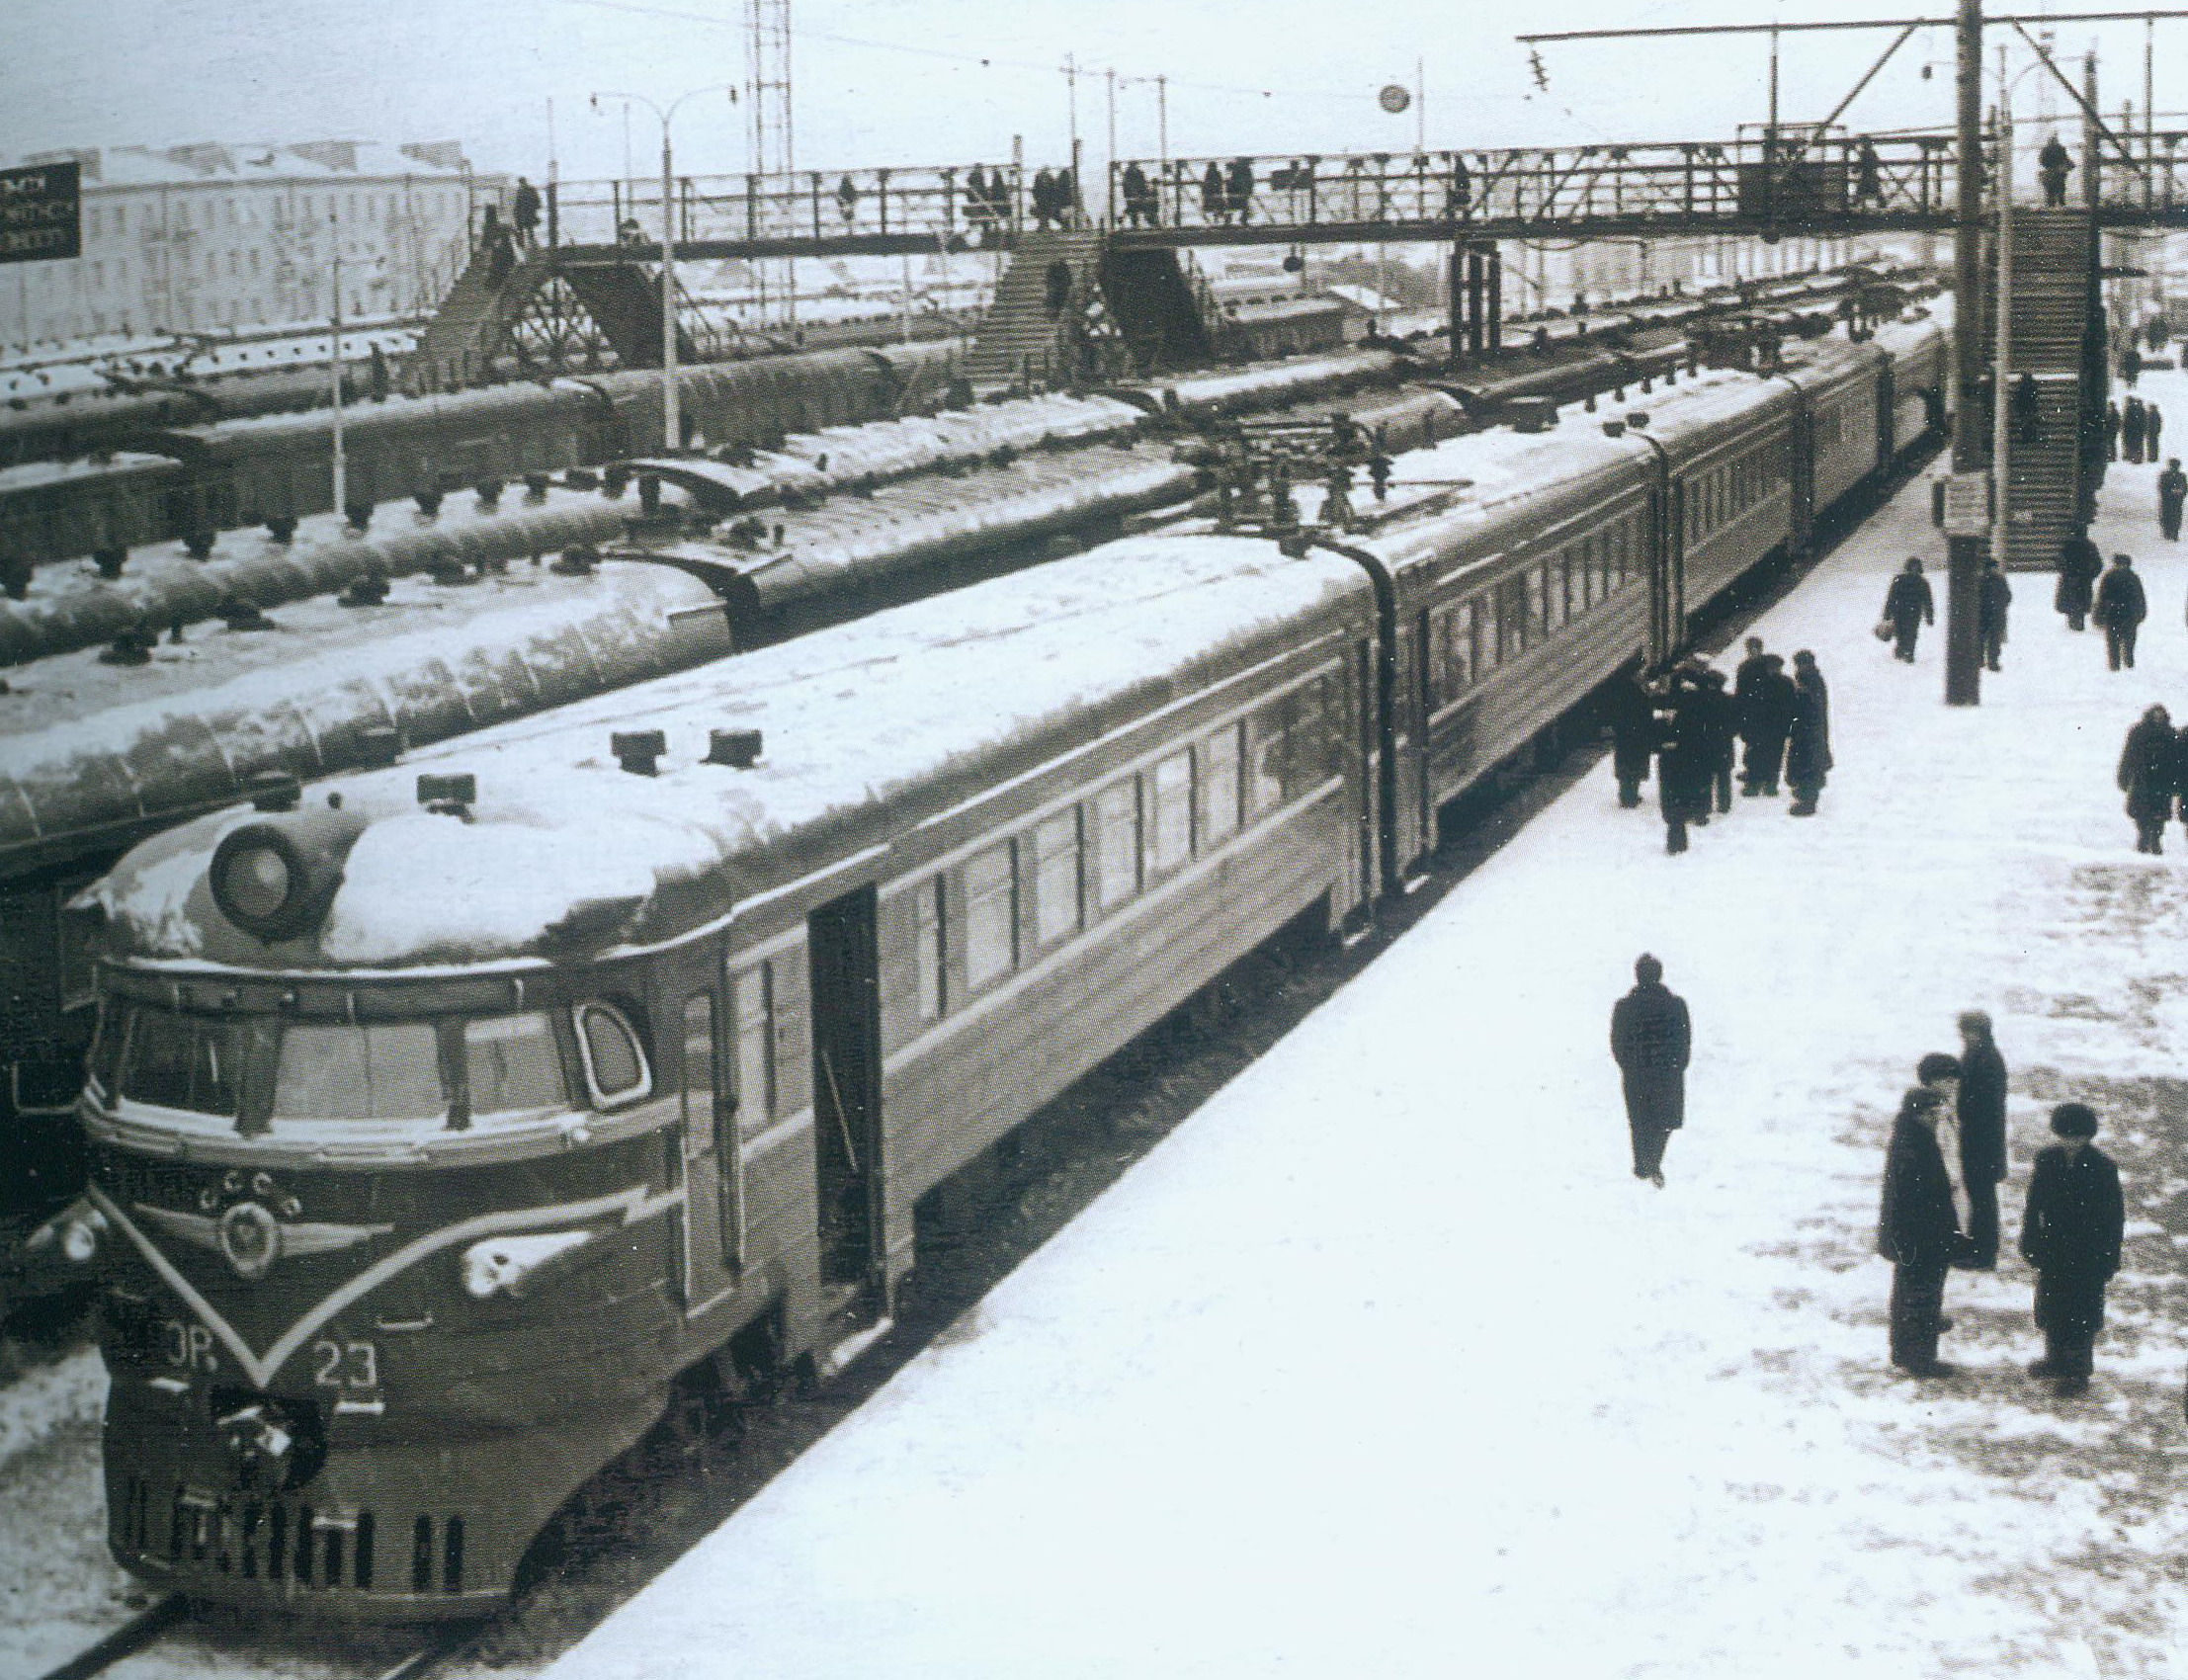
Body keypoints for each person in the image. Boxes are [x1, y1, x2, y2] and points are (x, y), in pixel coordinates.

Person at [2019, 1103, 2124, 1397]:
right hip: (2053, 1250)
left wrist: (2109, 1256)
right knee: (2052, 1307)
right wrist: (2030, 1240)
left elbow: (2114, 1217)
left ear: (2088, 1136)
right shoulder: (2047, 1160)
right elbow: (2034, 1205)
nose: (2071, 1141)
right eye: (2065, 1135)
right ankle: (2054, 1359)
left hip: (2087, 1254)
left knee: (2081, 1312)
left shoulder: (2103, 1167)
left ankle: (2077, 1370)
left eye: (2077, 1136)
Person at [1878, 1083, 1964, 1378]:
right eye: (1931, 1112)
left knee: (1907, 1295)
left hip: (1912, 1236)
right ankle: (1921, 1359)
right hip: (1923, 1236)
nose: (1936, 1118)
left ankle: (1905, 1352)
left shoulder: (1909, 1140)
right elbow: (1924, 1194)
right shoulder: (1916, 1146)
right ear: (1917, 1114)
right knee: (1923, 1298)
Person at [1610, 954, 1690, 1189]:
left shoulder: (1624, 1006)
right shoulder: (1675, 1005)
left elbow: (1617, 1041)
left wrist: (1627, 1065)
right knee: (1664, 1120)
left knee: (1640, 1119)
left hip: (1637, 1073)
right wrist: (1678, 1066)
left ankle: (1643, 1162)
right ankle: (1653, 1160)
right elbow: (1684, 1039)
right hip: (1667, 1072)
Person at [1955, 1011, 2009, 1269]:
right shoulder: (1983, 1056)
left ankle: (1983, 1253)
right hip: (1983, 1140)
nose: (1963, 1036)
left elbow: (1977, 1103)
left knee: (1982, 1197)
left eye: (1966, 1031)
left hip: (1981, 1141)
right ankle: (1979, 1248)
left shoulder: (1985, 1059)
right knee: (1980, 1195)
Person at [2118, 705, 2176, 853]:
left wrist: (2176, 783)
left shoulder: (2170, 734)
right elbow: (2129, 755)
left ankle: (2156, 842)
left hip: (2162, 783)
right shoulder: (2139, 733)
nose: (2158, 718)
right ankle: (2143, 840)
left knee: (2159, 816)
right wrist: (2124, 776)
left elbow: (2177, 761)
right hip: (2142, 781)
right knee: (2142, 814)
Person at [1785, 649, 1832, 816]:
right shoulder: (1813, 679)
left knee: (1808, 766)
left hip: (1808, 734)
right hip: (1809, 732)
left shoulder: (1809, 682)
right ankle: (1804, 793)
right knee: (1806, 764)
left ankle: (1807, 802)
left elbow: (1808, 708)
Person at [1603, 670, 1657, 809]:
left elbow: (1615, 714)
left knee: (1625, 766)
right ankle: (1631, 796)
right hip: (1638, 737)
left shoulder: (1623, 693)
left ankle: (1625, 795)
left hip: (1624, 737)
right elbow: (1647, 715)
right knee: (1636, 766)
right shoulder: (1640, 695)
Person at [1693, 666, 1738, 816]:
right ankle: (1724, 804)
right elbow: (1736, 723)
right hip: (1724, 744)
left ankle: (1705, 804)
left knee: (1704, 775)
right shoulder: (1729, 700)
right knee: (1724, 775)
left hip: (1703, 743)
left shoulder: (1698, 701)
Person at [2093, 552, 2147, 671]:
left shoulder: (2109, 577)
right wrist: (2141, 613)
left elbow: (2102, 598)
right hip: (2129, 614)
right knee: (2129, 642)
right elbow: (2140, 598)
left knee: (2113, 643)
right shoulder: (2133, 577)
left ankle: (2114, 666)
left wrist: (2098, 615)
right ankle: (2129, 663)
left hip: (2112, 614)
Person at [1883, 556, 1935, 663]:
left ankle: (1908, 652)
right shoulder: (1903, 580)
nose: (1914, 569)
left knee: (1909, 633)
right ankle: (1903, 650)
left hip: (1910, 612)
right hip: (1904, 611)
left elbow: (1927, 601)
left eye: (1916, 567)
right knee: (1903, 633)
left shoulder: (1920, 582)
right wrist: (1887, 613)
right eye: (1913, 567)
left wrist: (1929, 616)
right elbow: (1892, 597)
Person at [2056, 532, 2102, 630]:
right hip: (2083, 581)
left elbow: (2059, 562)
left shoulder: (2067, 545)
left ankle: (2072, 625)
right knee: (2080, 604)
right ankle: (2078, 624)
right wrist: (2090, 576)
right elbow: (2098, 565)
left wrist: (2066, 573)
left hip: (2069, 580)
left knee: (2070, 603)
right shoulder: (2089, 546)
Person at [1978, 558, 2012, 673]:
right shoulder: (1999, 580)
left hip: (1985, 614)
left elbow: (2007, 596)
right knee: (1992, 639)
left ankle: (1983, 660)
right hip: (1993, 614)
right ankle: (1989, 661)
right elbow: (2007, 596)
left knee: (1986, 639)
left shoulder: (1981, 580)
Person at [2039, 134, 2074, 206]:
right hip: (2059, 172)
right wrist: (2069, 165)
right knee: (2060, 190)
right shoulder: (2060, 148)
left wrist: (2049, 166)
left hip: (2049, 172)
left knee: (2050, 192)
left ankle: (2051, 206)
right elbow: (2065, 159)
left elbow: (2041, 161)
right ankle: (2061, 206)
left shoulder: (2046, 149)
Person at [512, 177, 542, 248]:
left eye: (522, 183)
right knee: (523, 229)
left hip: (528, 213)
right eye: (521, 183)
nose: (522, 184)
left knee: (529, 229)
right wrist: (515, 211)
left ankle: (529, 244)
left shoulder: (530, 190)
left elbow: (537, 201)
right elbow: (518, 202)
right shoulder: (521, 190)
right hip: (523, 213)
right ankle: (523, 245)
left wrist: (533, 208)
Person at [2012, 371, 2041, 445]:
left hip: (2024, 408)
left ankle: (2026, 438)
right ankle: (2031, 437)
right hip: (2028, 408)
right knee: (2029, 423)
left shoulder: (2021, 387)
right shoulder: (2032, 387)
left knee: (2025, 423)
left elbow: (2017, 398)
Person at [2162, 458, 2187, 542]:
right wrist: (2171, 492)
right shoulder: (2165, 475)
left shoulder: (2182, 476)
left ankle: (2175, 533)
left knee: (2177, 517)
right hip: (2167, 501)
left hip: (2177, 501)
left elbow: (2185, 487)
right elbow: (2162, 488)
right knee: (2167, 516)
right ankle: (2167, 532)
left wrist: (2181, 493)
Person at [1855, 134, 1883, 205]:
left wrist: (1856, 169)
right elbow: (1875, 163)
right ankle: (1882, 203)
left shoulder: (1864, 153)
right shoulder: (1872, 153)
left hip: (1866, 175)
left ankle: (1854, 205)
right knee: (1876, 191)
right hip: (1872, 175)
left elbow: (1861, 163)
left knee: (1860, 191)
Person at [1226, 157, 1255, 225]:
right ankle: (1243, 220)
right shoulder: (1246, 170)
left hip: (1235, 191)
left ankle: (1228, 221)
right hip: (1241, 191)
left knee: (1232, 206)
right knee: (1244, 206)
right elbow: (1249, 181)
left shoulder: (1236, 169)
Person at [1201, 161, 1227, 226]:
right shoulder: (1216, 173)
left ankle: (1217, 220)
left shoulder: (1208, 173)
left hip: (1212, 193)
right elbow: (1219, 183)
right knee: (1218, 206)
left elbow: (1207, 183)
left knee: (1215, 207)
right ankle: (1220, 219)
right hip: (1215, 192)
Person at [2123, 394, 2146, 464]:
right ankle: (2136, 457)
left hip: (2133, 430)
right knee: (2136, 444)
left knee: (2133, 444)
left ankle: (2134, 457)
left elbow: (2128, 421)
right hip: (2137, 431)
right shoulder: (2138, 409)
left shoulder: (2131, 409)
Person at [2105, 398, 2122, 462]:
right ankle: (2111, 456)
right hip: (2111, 430)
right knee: (2111, 443)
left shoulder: (2114, 412)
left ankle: (2112, 457)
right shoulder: (2114, 412)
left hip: (2112, 430)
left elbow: (2117, 422)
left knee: (2111, 443)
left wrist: (2115, 428)